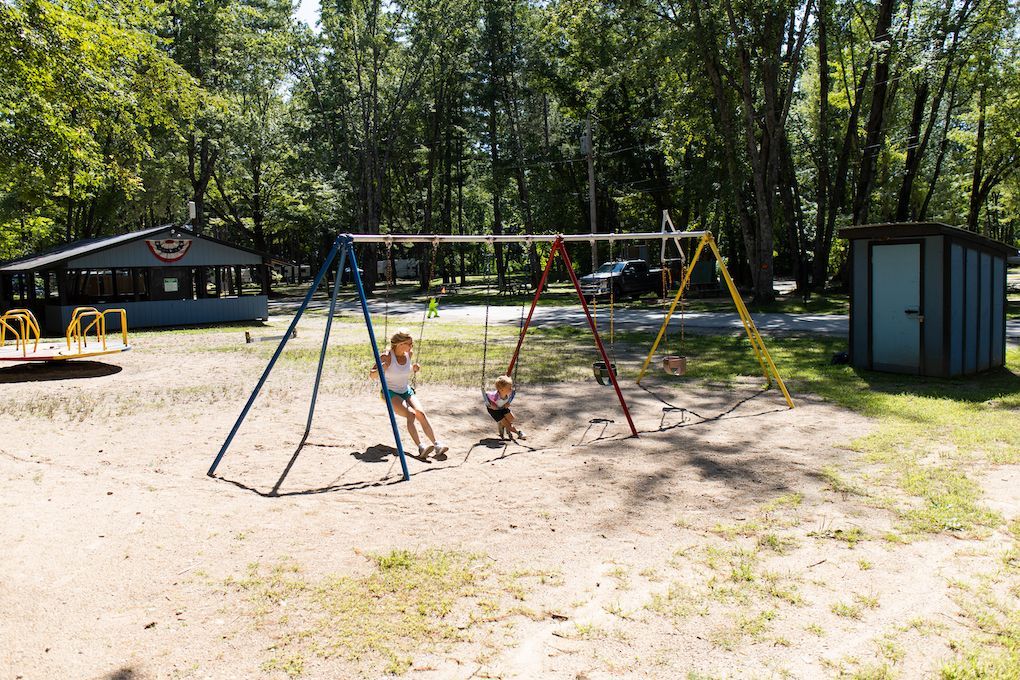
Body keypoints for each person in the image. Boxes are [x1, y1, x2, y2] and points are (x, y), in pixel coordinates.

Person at [369, 329, 449, 458]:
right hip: (390, 392)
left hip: (405, 390)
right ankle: (421, 447)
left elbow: (402, 370)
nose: (412, 346)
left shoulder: (408, 354)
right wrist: (380, 368)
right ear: (400, 344)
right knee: (411, 414)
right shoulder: (386, 356)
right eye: (409, 343)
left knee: (421, 413)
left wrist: (413, 369)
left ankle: (437, 444)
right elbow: (372, 376)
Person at [484, 375, 525, 440]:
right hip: (494, 410)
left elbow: (512, 395)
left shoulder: (510, 393)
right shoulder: (494, 396)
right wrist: (491, 404)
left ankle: (501, 424)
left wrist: (508, 403)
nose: (511, 389)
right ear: (501, 389)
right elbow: (485, 395)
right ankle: (518, 432)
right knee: (507, 424)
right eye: (509, 388)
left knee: (511, 418)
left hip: (502, 407)